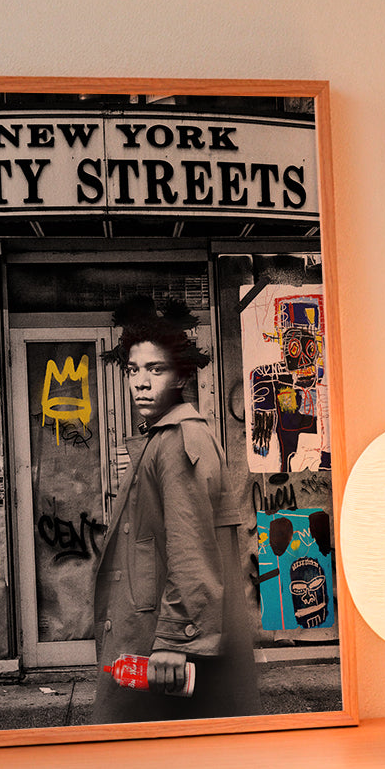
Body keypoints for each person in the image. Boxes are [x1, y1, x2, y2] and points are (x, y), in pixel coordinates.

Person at [91, 297, 261, 723]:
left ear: (181, 375)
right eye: (133, 370)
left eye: (155, 369)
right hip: (155, 642)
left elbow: (191, 548)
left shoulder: (178, 441)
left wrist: (175, 640)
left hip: (164, 649)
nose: (141, 383)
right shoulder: (164, 438)